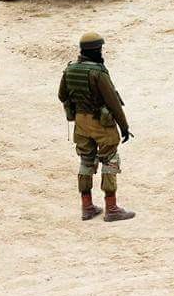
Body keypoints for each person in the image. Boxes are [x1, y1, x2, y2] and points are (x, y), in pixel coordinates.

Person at [58, 32, 135, 222]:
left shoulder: (70, 70)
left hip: (80, 122)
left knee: (86, 161)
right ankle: (112, 209)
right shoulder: (98, 73)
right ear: (97, 50)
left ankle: (87, 207)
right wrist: (124, 127)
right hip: (101, 124)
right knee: (109, 161)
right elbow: (113, 102)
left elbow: (62, 95)